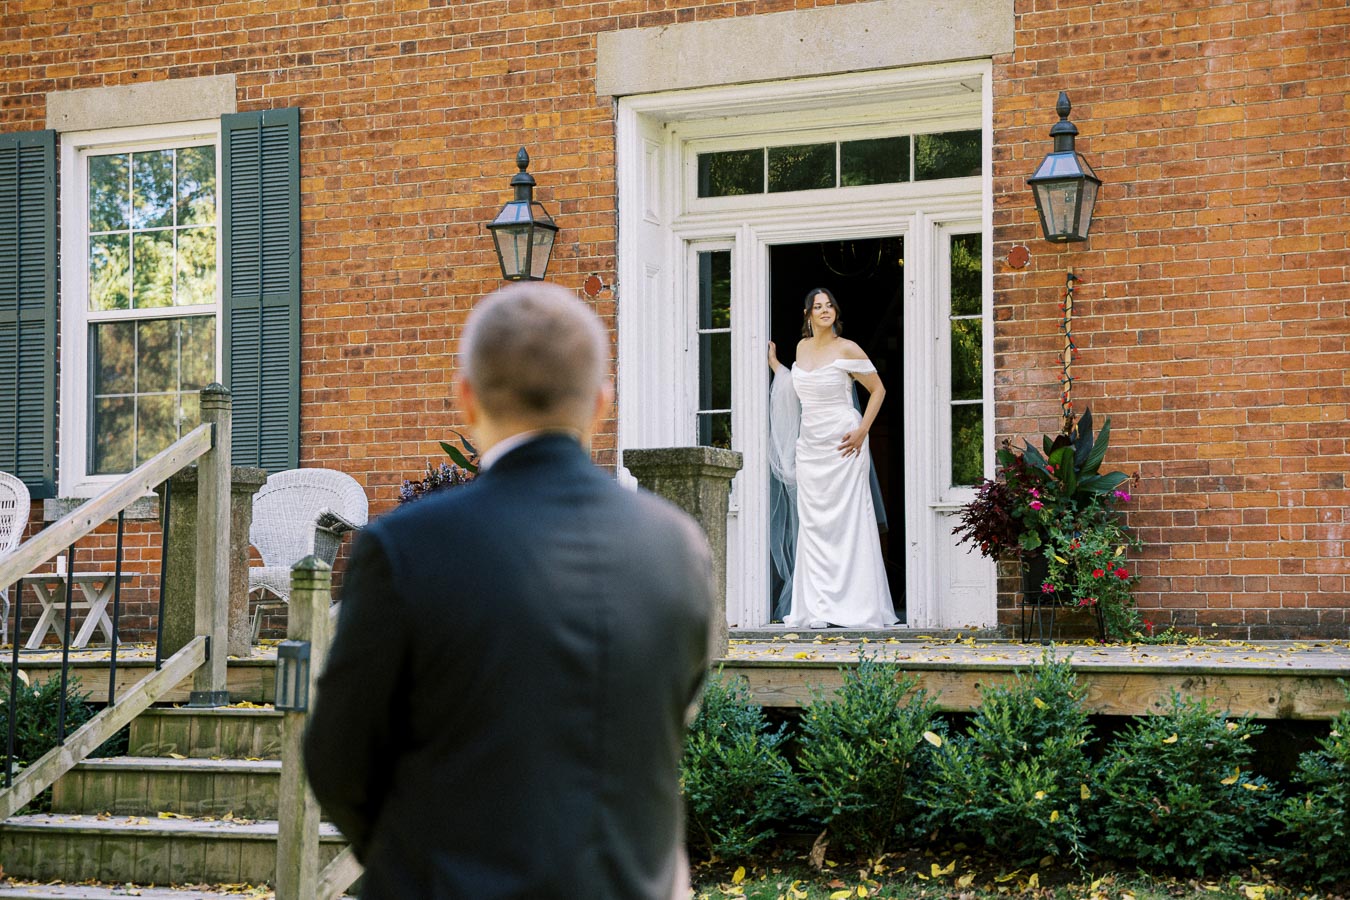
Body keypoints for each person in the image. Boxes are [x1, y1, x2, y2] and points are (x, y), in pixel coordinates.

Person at [304, 282, 714, 899]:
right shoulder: (680, 547)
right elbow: (669, 721)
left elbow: (338, 759)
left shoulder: (405, 548)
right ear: (602, 403)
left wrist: (419, 865)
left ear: (465, 399)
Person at [767, 287, 897, 629]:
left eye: (829, 306)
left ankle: (858, 607)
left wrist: (862, 431)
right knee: (814, 527)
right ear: (808, 314)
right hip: (810, 448)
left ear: (836, 312)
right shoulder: (801, 348)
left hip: (845, 444)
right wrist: (777, 366)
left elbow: (878, 390)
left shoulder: (848, 348)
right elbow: (796, 387)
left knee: (849, 524)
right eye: (817, 306)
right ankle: (818, 609)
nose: (825, 310)